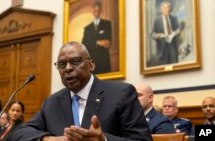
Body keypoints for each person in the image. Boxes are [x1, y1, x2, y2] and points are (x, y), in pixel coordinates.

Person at [12, 41, 152, 141]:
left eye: (75, 61)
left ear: (91, 65)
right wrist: (48, 139)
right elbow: (20, 133)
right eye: (62, 64)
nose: (67, 68)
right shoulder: (51, 102)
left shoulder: (121, 94)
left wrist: (103, 139)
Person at [82, 0, 112, 74]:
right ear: (92, 10)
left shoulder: (107, 24)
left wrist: (91, 43)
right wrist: (98, 42)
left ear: (100, 10)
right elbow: (84, 44)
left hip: (104, 62)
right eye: (94, 10)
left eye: (98, 10)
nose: (96, 12)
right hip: (91, 63)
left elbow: (108, 43)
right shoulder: (87, 28)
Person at [151, 1, 185, 65]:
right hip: (162, 48)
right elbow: (152, 34)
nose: (167, 9)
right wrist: (159, 35)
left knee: (174, 64)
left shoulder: (173, 18)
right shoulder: (157, 20)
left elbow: (179, 27)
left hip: (173, 45)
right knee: (164, 66)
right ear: (161, 9)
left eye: (168, 7)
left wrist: (175, 32)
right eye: (165, 8)